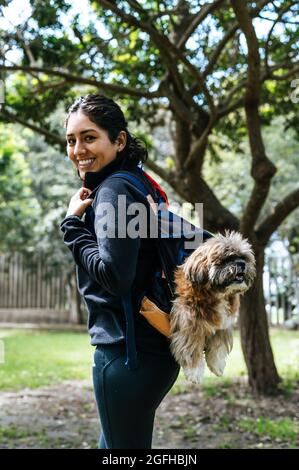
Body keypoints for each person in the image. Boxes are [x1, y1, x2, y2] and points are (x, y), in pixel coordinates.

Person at [60, 94, 180, 449]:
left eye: (89, 137)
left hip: (127, 355)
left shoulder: (113, 191)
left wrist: (71, 225)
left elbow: (115, 276)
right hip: (152, 350)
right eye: (71, 140)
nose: (78, 149)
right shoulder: (136, 182)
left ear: (120, 140)